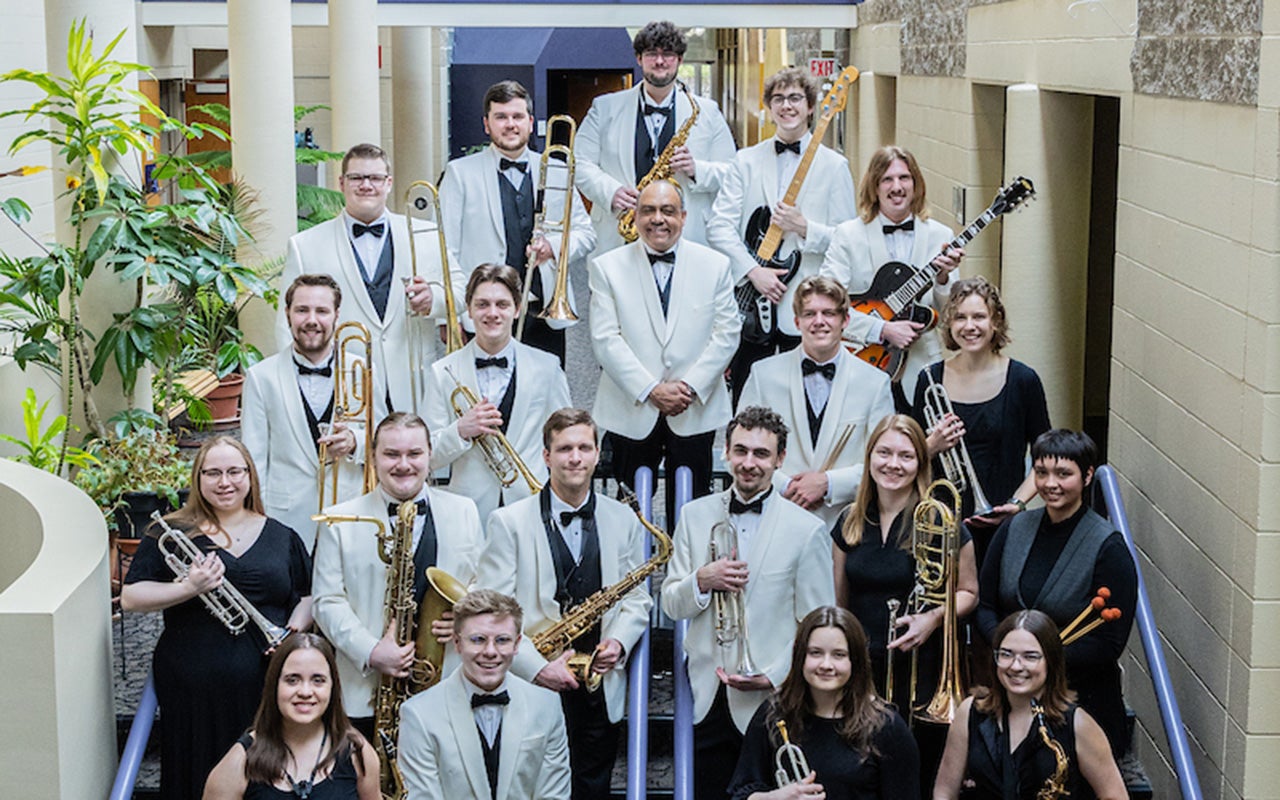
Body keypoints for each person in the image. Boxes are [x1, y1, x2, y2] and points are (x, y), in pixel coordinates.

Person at [121, 437, 314, 800]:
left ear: (249, 476)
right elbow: (131, 597)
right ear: (198, 479)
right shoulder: (171, 532)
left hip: (264, 680)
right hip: (191, 683)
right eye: (212, 473)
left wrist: (293, 628)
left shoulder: (282, 536)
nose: (224, 482)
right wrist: (189, 587)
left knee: (262, 771)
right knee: (196, 770)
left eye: (233, 472)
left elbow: (306, 595)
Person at [474, 408, 651, 800]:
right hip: (531, 683)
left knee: (593, 788)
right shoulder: (509, 522)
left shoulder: (623, 518)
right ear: (546, 455)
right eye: (565, 448)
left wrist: (618, 643)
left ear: (596, 453)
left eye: (584, 447)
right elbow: (491, 617)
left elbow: (637, 597)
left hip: (597, 685)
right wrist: (538, 670)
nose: (575, 457)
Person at [661, 406, 834, 800]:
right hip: (708, 696)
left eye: (761, 454)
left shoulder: (807, 530)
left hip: (775, 699)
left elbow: (817, 626)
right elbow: (671, 603)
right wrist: (701, 580)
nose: (749, 463)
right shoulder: (693, 515)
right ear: (725, 452)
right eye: (740, 451)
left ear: (780, 460)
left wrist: (774, 676)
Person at [829, 415, 978, 797]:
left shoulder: (943, 523)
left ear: (920, 464)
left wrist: (932, 619)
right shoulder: (849, 522)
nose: (893, 464)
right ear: (869, 458)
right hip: (863, 673)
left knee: (919, 778)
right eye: (884, 453)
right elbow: (839, 604)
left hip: (924, 671)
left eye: (906, 456)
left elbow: (970, 593)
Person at [312, 413, 484, 739]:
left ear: (430, 454)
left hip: (446, 681)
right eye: (391, 454)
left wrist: (465, 614)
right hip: (365, 692)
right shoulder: (339, 520)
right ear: (373, 457)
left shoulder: (465, 510)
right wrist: (372, 651)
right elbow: (326, 601)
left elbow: (480, 581)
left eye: (414, 454)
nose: (403, 464)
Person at [975, 429, 1137, 759]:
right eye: (1042, 472)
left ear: (1088, 475)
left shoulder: (1109, 547)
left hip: (1081, 705)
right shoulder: (1012, 528)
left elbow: (1109, 642)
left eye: (1064, 474)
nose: (1051, 483)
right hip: (1013, 697)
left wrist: (1038, 659)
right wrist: (1010, 652)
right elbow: (985, 603)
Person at [589, 180, 740, 524]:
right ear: (635, 216)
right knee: (629, 512)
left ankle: (684, 574)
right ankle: (633, 575)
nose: (658, 219)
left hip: (693, 408)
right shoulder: (606, 267)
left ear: (684, 217)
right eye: (649, 211)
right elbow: (605, 339)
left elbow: (727, 334)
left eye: (668, 211)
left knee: (692, 510)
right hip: (632, 405)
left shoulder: (715, 265)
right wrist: (651, 389)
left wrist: (689, 387)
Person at [277, 143, 466, 418]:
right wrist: (295, 387)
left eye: (375, 178)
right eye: (357, 178)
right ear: (341, 183)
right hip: (345, 386)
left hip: (415, 383)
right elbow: (287, 323)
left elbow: (461, 292)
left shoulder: (426, 234)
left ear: (388, 183)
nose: (366, 185)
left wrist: (433, 299)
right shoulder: (305, 246)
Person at [706, 67, 857, 401]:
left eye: (795, 98)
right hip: (749, 300)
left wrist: (805, 228)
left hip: (804, 304)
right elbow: (719, 226)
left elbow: (849, 240)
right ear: (768, 107)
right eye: (778, 99)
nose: (786, 106)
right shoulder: (744, 161)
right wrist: (752, 271)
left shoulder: (835, 166)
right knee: (745, 397)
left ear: (811, 106)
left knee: (803, 400)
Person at [438, 80, 595, 365]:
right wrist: (449, 313)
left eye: (517, 116)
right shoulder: (459, 174)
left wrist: (554, 246)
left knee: (546, 402)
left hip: (543, 311)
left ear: (531, 122)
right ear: (487, 124)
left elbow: (586, 234)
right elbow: (445, 250)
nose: (510, 124)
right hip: (486, 313)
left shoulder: (558, 170)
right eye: (501, 117)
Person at [910, 276, 1050, 562]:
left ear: (995, 322)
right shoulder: (928, 379)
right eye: (960, 317)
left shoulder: (1023, 380)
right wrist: (932, 445)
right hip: (942, 527)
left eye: (979, 316)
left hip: (1003, 527)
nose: (969, 326)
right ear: (949, 323)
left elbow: (1046, 459)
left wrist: (1017, 504)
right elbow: (907, 460)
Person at [739, 276, 894, 529]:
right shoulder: (762, 375)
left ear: (845, 321)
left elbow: (885, 460)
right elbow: (737, 450)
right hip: (775, 518)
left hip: (845, 526)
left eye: (829, 313)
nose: (819, 322)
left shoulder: (875, 383)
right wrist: (785, 486)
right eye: (810, 313)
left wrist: (828, 483)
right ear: (797, 321)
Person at [424, 264, 572, 524]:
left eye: (502, 305)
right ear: (468, 310)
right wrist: (460, 429)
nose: (492, 313)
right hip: (468, 511)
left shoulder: (548, 367)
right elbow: (427, 455)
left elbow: (565, 440)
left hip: (531, 506)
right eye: (482, 305)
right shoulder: (442, 372)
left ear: (517, 309)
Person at [575, 20, 736, 255]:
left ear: (680, 60)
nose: (660, 61)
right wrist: (611, 191)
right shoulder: (604, 107)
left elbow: (732, 173)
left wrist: (696, 169)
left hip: (687, 237)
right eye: (652, 54)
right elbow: (579, 163)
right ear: (639, 58)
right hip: (620, 233)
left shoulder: (708, 111)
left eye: (668, 54)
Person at [820, 145, 963, 409]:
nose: (896, 186)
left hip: (923, 368)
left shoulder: (941, 237)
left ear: (916, 184)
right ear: (874, 187)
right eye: (887, 179)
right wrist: (882, 329)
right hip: (863, 361)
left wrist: (943, 279)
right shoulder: (847, 235)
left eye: (904, 178)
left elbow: (949, 316)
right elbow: (826, 306)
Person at [727, 606, 920, 800]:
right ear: (800, 657)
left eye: (839, 655)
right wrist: (774, 798)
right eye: (815, 653)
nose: (826, 665)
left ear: (856, 661)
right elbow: (740, 793)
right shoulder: (773, 715)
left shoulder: (887, 727)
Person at [933, 610, 1127, 800]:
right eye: (1006, 654)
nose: (1016, 666)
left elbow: (1115, 795)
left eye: (1030, 656)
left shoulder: (1078, 724)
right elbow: (944, 792)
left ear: (1050, 662)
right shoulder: (970, 712)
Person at [397, 589, 571, 800]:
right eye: (478, 639)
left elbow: (553, 796)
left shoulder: (547, 706)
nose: (490, 651)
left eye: (502, 640)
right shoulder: (418, 714)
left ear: (517, 644)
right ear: (457, 643)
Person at [243, 274, 366, 549]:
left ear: (336, 315)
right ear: (287, 314)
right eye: (302, 310)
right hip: (284, 520)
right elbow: (254, 459)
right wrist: (258, 526)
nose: (312, 320)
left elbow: (386, 439)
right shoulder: (261, 377)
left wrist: (355, 441)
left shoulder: (363, 370)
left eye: (321, 311)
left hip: (351, 514)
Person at [203, 633, 380, 800]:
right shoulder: (239, 762)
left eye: (318, 680)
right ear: (274, 686)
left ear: (333, 687)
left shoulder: (357, 753)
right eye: (292, 680)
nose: (305, 691)